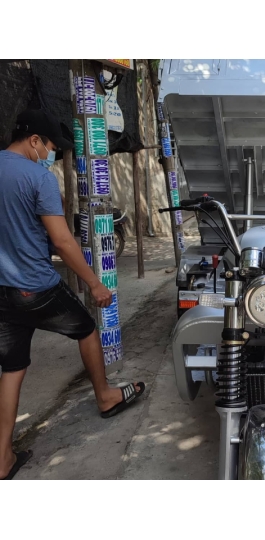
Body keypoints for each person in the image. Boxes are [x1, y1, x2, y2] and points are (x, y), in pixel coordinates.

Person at [0, 109, 145, 480]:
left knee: (12, 368)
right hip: (35, 285)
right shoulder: (38, 177)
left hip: (2, 290)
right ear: (34, 140)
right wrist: (95, 283)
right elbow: (63, 242)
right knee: (87, 329)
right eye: (50, 146)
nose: (51, 154)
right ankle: (105, 395)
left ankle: (3, 458)